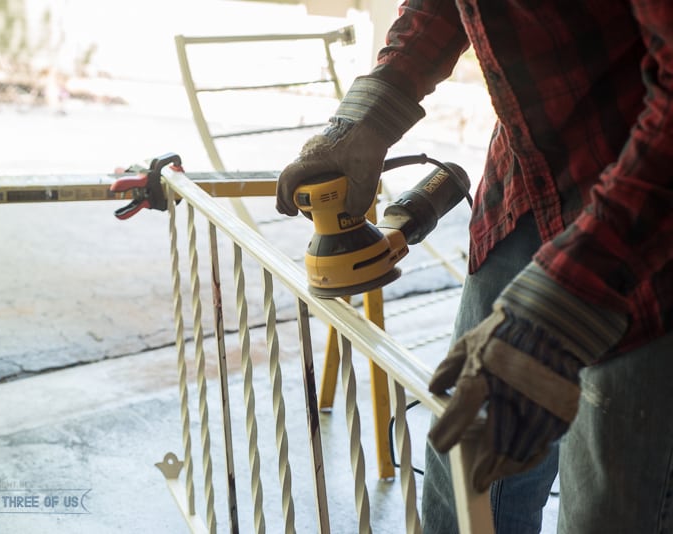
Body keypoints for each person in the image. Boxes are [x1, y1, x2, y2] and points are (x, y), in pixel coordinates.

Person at [275, 2, 673, 533]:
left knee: (609, 509)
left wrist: (571, 295)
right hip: (527, 181)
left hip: (649, 214)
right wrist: (367, 116)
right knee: (463, 480)